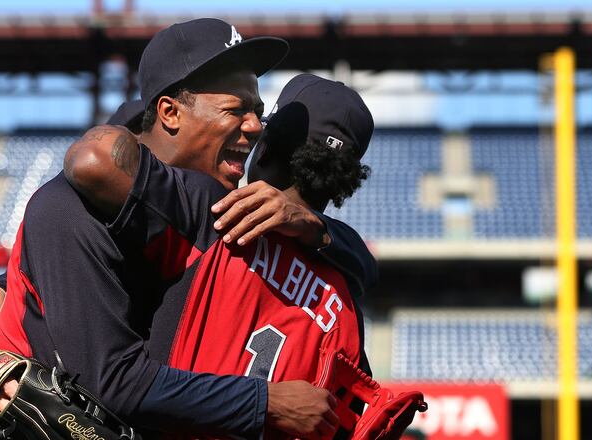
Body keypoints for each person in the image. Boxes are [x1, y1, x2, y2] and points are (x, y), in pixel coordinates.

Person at [0, 19, 357, 439]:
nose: (255, 126)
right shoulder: (70, 206)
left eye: (258, 112)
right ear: (168, 114)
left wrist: (320, 229)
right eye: (235, 109)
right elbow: (110, 384)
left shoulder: (213, 219)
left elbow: (358, 267)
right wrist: (266, 402)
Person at [64, 73, 374, 438]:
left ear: (269, 145)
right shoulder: (344, 298)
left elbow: (93, 162)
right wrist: (321, 231)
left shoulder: (212, 212)